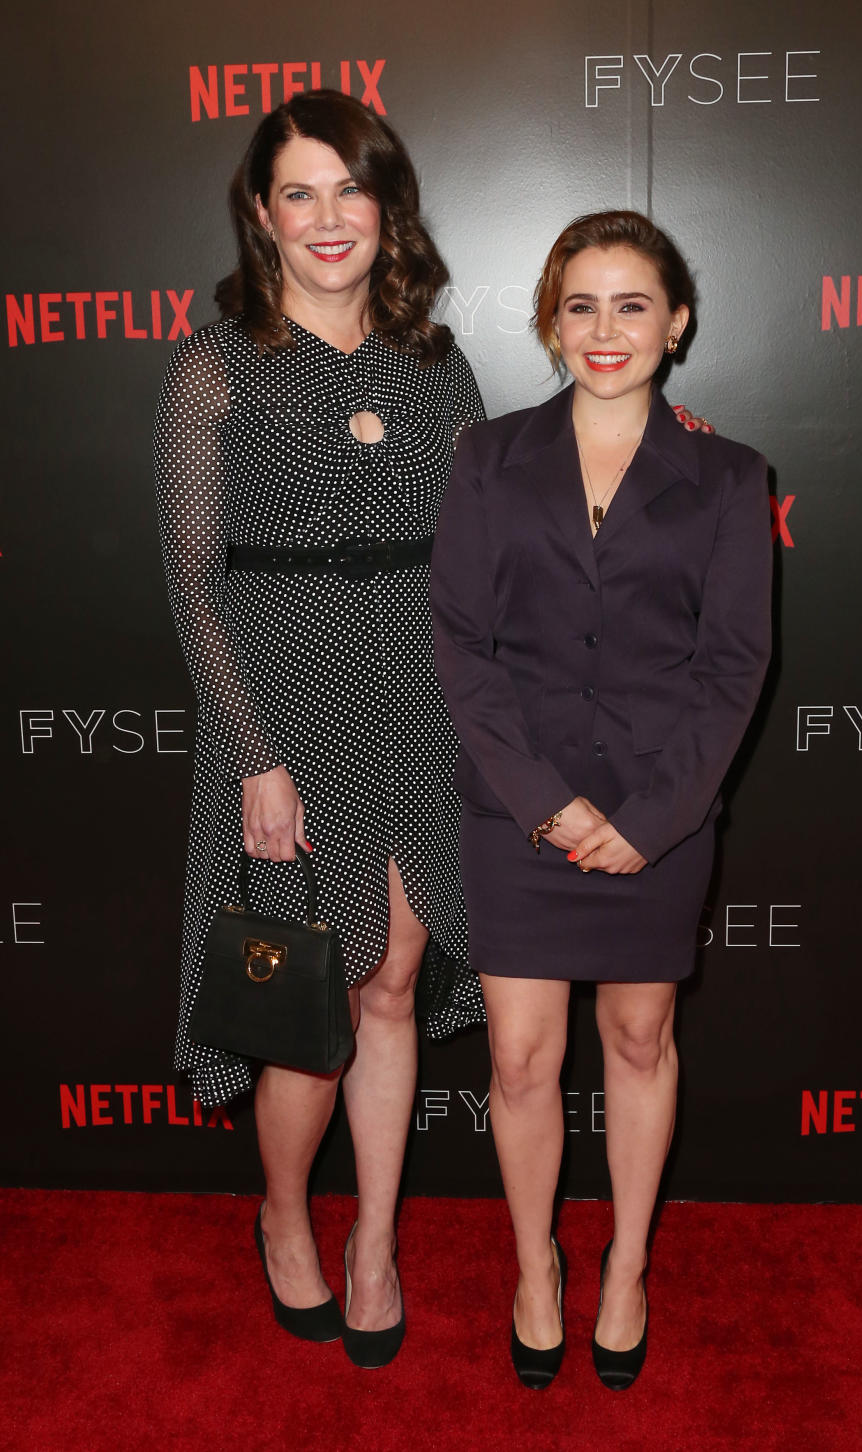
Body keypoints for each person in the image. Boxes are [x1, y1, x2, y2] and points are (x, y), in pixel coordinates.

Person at [154, 89, 487, 1368]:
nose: (328, 217)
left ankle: (376, 1243)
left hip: (418, 692)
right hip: (283, 706)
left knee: (394, 982)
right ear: (261, 213)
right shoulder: (212, 362)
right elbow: (192, 578)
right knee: (316, 1002)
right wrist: (253, 756)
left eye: (351, 189)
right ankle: (286, 1215)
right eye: (300, 191)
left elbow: (474, 552)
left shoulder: (433, 360)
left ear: (384, 205)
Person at [430, 210, 772, 1389]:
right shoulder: (487, 458)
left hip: (659, 808)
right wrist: (540, 803)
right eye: (581, 305)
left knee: (638, 1038)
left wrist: (655, 818)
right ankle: (538, 1266)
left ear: (677, 322)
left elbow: (735, 666)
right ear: (549, 321)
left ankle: (625, 1265)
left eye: (634, 304)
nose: (606, 329)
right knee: (520, 1063)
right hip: (516, 807)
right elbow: (463, 650)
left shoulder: (730, 477)